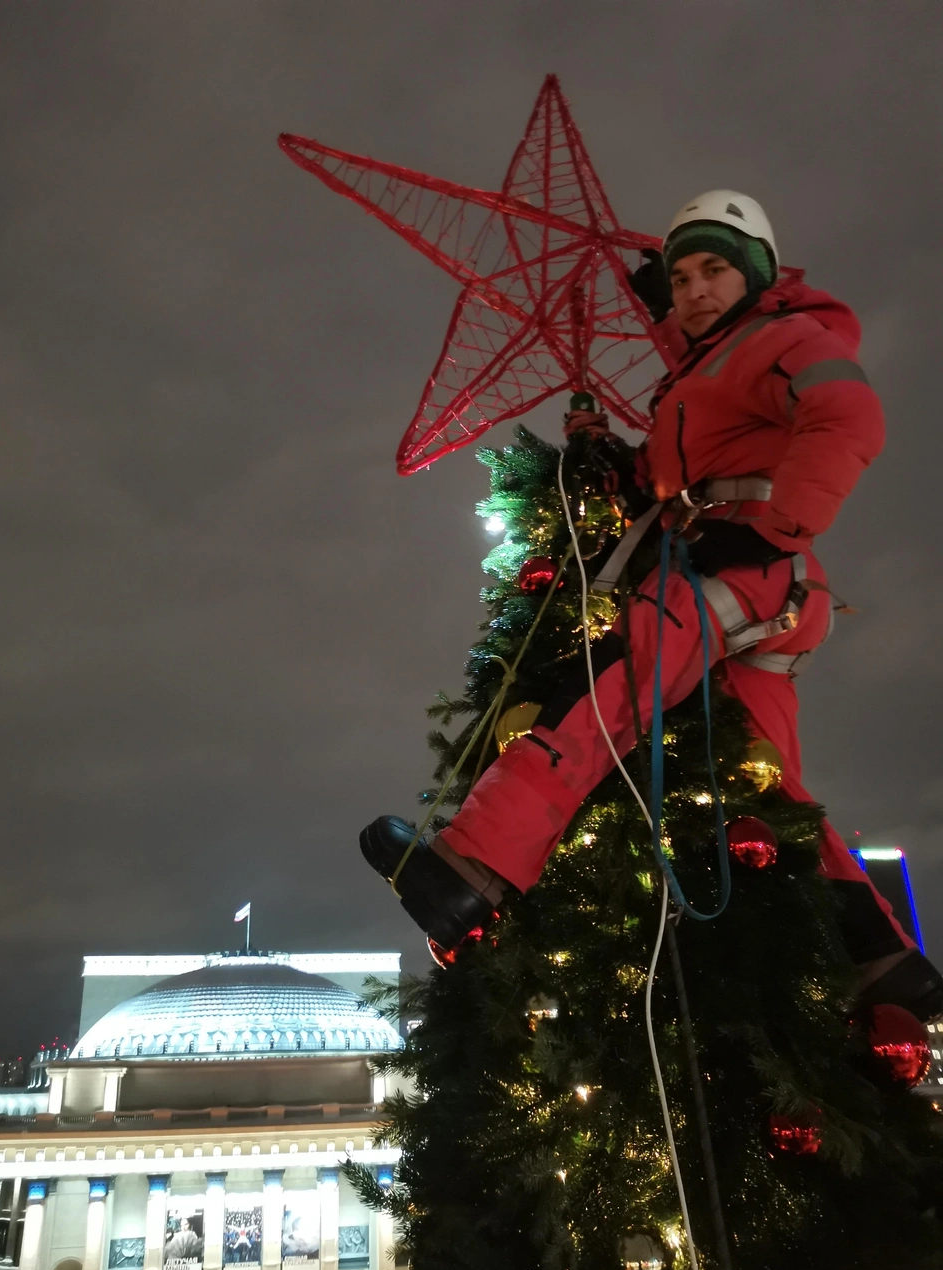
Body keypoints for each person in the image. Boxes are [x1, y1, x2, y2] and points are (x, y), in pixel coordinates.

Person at [360, 191, 943, 1022]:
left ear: (757, 275)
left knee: (611, 683)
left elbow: (849, 413)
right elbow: (691, 451)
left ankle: (473, 866)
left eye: (715, 270)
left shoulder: (783, 339)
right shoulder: (705, 370)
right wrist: (620, 466)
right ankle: (879, 956)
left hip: (743, 572)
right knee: (772, 791)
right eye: (681, 277)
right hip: (758, 583)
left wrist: (776, 527)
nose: (696, 289)